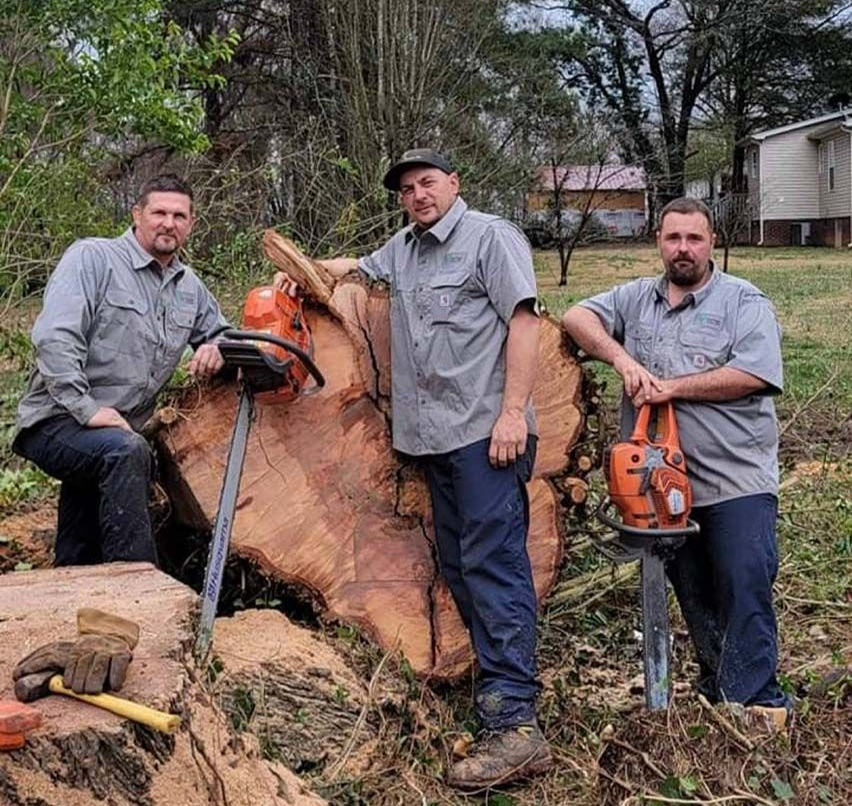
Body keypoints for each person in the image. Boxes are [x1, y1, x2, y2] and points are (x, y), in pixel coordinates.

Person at [274, 148, 552, 788]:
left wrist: (513, 413)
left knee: (493, 561)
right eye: (406, 188)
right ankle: (495, 692)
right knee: (458, 564)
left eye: (428, 182)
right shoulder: (404, 249)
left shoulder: (491, 238)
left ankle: (516, 722)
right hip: (434, 440)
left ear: (454, 183)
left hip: (488, 435)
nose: (418, 194)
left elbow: (524, 322)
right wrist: (304, 273)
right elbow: (354, 269)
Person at [562, 197, 791, 728]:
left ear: (711, 242)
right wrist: (622, 359)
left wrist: (672, 388)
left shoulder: (744, 302)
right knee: (694, 590)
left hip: (735, 476)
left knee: (743, 578)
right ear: (658, 242)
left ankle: (759, 706)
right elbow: (577, 316)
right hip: (660, 485)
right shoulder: (636, 299)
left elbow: (753, 374)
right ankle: (719, 694)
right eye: (672, 239)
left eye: (693, 238)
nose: (683, 249)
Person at [13, 174, 229, 567]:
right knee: (126, 453)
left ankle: (73, 586)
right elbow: (54, 337)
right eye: (159, 212)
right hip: (57, 419)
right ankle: (137, 589)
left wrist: (216, 347)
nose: (168, 223)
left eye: (179, 215)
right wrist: (89, 410)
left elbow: (223, 334)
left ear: (192, 223)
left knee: (90, 506)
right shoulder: (92, 259)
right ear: (137, 214)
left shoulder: (189, 287)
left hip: (115, 429)